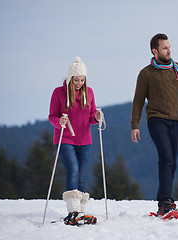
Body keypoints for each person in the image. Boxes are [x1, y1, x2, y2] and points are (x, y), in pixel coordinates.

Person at [130, 33, 178, 216]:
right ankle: (165, 202)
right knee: (166, 158)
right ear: (155, 51)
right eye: (165, 48)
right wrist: (135, 124)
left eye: (169, 47)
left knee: (172, 163)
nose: (169, 50)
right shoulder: (146, 74)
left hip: (177, 122)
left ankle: (165, 201)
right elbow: (138, 101)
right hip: (157, 120)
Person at [49, 56, 101, 225]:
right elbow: (52, 116)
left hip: (85, 139)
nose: (79, 83)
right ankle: (73, 211)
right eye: (76, 80)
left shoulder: (89, 92)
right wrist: (59, 122)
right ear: (70, 78)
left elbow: (91, 117)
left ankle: (80, 210)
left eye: (82, 80)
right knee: (73, 169)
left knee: (83, 175)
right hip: (65, 138)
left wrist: (97, 117)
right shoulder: (58, 93)